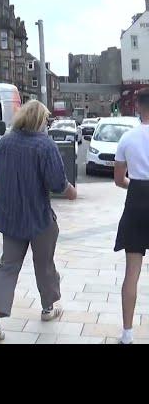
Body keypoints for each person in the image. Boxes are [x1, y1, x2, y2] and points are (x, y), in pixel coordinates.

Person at [0, 100, 77, 341]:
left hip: (10, 217)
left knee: (8, 266)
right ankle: (48, 308)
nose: (48, 125)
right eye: (47, 120)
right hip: (39, 218)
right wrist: (71, 191)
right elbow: (57, 183)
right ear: (39, 120)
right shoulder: (44, 145)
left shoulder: (4, 143)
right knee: (44, 264)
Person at [113, 88, 149, 344]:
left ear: (138, 107)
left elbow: (118, 180)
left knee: (131, 272)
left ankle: (127, 334)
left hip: (136, 199)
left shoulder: (127, 138)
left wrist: (135, 184)